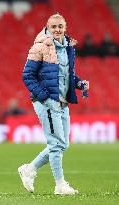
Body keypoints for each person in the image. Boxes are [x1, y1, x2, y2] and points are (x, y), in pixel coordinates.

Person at [19, 13, 89, 195]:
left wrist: (79, 83)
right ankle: (60, 185)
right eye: (53, 27)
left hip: (63, 101)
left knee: (63, 144)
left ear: (65, 28)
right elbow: (27, 76)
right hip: (48, 101)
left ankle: (29, 169)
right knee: (56, 143)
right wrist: (45, 96)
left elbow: (67, 75)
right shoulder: (40, 47)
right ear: (48, 28)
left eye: (60, 26)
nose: (57, 30)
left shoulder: (68, 46)